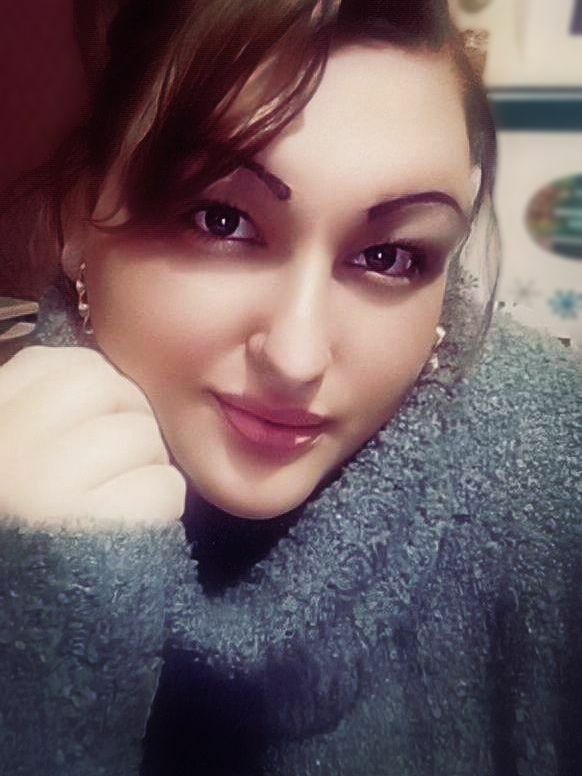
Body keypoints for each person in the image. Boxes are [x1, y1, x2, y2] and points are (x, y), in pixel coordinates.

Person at [0, 1, 580, 774]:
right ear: (79, 216)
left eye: (389, 257)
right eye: (220, 220)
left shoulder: (547, 466)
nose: (297, 358)